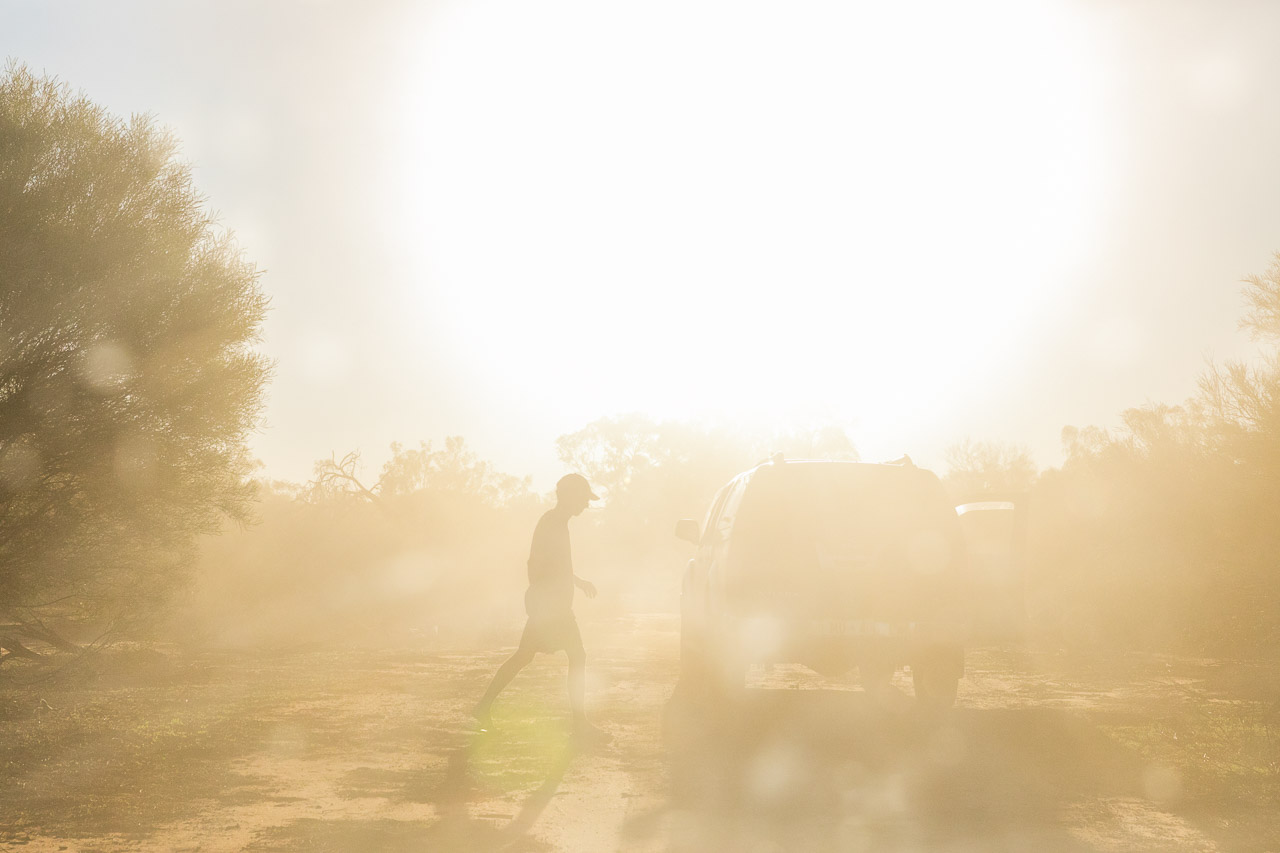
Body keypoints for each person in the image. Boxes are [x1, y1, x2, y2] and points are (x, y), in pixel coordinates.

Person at [473, 473, 609, 743]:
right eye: (583, 499)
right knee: (577, 656)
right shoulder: (552, 523)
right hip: (551, 607)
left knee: (524, 656)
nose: (586, 505)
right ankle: (579, 725)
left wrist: (577, 582)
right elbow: (535, 564)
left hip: (549, 605)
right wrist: (541, 601)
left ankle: (483, 707)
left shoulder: (558, 522)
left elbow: (556, 566)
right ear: (569, 497)